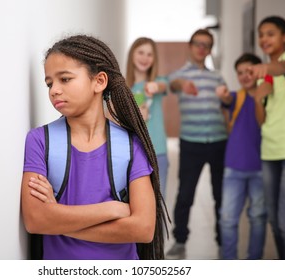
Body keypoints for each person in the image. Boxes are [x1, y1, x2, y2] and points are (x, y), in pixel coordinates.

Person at [20, 34, 168, 260]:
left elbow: (143, 229)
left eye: (65, 79)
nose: (54, 90)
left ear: (99, 81)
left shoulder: (131, 145)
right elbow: (35, 220)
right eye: (49, 83)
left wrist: (57, 218)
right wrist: (111, 209)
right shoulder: (40, 141)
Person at [248, 16, 285, 260]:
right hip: (270, 151)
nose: (264, 39)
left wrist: (266, 68)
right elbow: (262, 120)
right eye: (261, 34)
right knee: (274, 220)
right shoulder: (264, 77)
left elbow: (283, 67)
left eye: (270, 33)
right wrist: (257, 98)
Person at [166, 29, 227, 259]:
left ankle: (223, 242)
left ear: (210, 50)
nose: (202, 48)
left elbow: (226, 105)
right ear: (190, 46)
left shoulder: (217, 77)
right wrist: (182, 83)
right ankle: (180, 240)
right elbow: (173, 85)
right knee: (185, 194)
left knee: (220, 195)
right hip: (191, 143)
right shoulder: (178, 75)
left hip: (219, 142)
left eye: (206, 45)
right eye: (198, 44)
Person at [216, 53, 270, 259]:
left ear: (259, 70)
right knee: (228, 219)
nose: (245, 76)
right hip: (234, 168)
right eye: (240, 73)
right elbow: (227, 99)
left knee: (258, 217)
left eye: (249, 71)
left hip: (261, 169)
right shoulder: (235, 97)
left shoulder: (268, 97)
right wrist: (223, 95)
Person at [125, 37, 169, 198]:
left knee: (158, 203)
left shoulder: (158, 82)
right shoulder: (123, 88)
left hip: (158, 152)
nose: (145, 58)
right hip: (132, 154)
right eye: (141, 52)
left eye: (150, 54)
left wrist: (155, 86)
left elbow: (165, 85)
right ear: (132, 54)